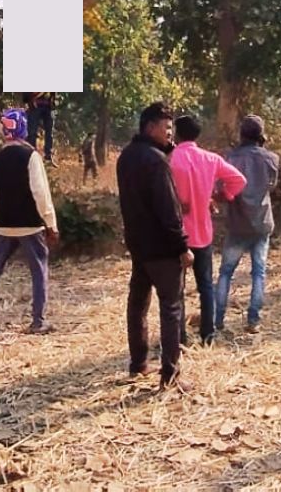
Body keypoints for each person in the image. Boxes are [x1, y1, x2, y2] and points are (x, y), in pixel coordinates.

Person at [117, 102, 193, 390]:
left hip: (138, 244)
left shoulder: (126, 157)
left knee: (137, 304)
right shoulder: (156, 162)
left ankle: (138, 364)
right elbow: (168, 209)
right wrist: (182, 245)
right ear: (151, 127)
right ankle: (170, 375)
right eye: (167, 127)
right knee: (171, 308)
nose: (170, 132)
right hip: (162, 247)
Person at [0, 109, 59, 333]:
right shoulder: (30, 156)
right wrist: (51, 223)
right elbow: (40, 193)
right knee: (39, 270)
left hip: (4, 223)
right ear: (23, 128)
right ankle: (38, 320)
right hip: (29, 223)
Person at [169, 115, 246, 343]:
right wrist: (221, 195)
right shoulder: (211, 159)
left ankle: (179, 336)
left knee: (176, 289)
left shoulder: (170, 159)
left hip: (178, 234)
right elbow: (239, 180)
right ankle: (208, 334)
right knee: (205, 287)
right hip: (203, 232)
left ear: (176, 133)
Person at [216, 115, 280, 334]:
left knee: (225, 272)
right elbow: (271, 186)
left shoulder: (230, 158)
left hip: (237, 223)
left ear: (241, 134)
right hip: (262, 222)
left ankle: (218, 320)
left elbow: (222, 189)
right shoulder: (271, 158)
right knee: (258, 272)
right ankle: (253, 320)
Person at [23, 93, 57, 164]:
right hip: (34, 106)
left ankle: (48, 156)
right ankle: (31, 156)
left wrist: (52, 100)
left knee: (49, 132)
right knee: (32, 132)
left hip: (48, 106)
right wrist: (29, 101)